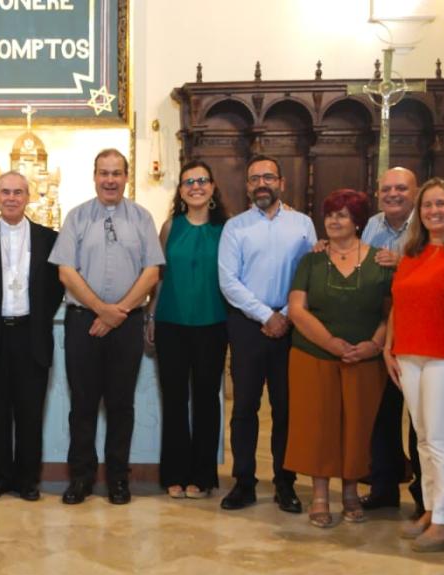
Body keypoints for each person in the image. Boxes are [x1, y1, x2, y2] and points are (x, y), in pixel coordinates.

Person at [49, 148, 164, 506]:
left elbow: (152, 271)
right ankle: (81, 479)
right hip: (84, 322)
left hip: (127, 325)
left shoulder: (142, 218)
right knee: (82, 405)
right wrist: (102, 310)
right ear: (94, 176)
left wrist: (120, 311)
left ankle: (118, 479)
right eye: (104, 173)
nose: (110, 179)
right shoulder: (77, 217)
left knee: (120, 405)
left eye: (116, 173)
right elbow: (65, 270)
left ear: (126, 177)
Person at [382, 177, 444, 552]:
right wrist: (390, 346)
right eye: (427, 206)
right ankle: (429, 509)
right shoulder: (411, 253)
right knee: (422, 438)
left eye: (441, 204)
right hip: (409, 353)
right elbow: (398, 303)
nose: (433, 211)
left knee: (441, 439)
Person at [284, 189, 391, 527]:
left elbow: (392, 312)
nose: (333, 220)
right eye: (329, 214)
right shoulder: (311, 260)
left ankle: (349, 492)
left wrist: (374, 345)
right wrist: (331, 343)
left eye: (342, 214)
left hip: (365, 360)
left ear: (358, 221)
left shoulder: (381, 260)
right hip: (312, 355)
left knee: (357, 426)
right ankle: (319, 495)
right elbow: (298, 309)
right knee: (318, 426)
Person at [217, 154, 316, 513]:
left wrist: (286, 315)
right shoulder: (235, 227)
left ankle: (285, 483)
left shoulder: (303, 225)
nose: (262, 183)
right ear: (247, 186)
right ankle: (243, 482)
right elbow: (228, 280)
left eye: (268, 177)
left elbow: (309, 275)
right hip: (247, 325)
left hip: (292, 326)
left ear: (281, 183)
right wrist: (264, 315)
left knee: (286, 409)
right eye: (255, 178)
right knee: (244, 407)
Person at [0, 171, 65, 502]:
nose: (11, 198)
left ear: (28, 197)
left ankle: (27, 480)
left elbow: (55, 287)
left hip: (30, 334)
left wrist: (36, 316)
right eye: (5, 192)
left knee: (29, 412)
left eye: (18, 192)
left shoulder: (49, 238)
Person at [147, 160, 229, 500]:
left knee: (207, 400)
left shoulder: (227, 229)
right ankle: (174, 474)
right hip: (171, 323)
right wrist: (151, 316)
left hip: (213, 322)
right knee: (175, 400)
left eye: (201, 181)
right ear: (180, 191)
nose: (195, 186)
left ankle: (203, 475)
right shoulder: (170, 227)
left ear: (212, 188)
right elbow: (159, 278)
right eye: (188, 182)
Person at [360, 167, 424, 516]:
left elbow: (438, 266)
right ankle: (383, 486)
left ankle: (422, 497)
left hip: (418, 332)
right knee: (381, 415)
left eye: (401, 188)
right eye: (386, 189)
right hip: (380, 328)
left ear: (415, 192)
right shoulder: (373, 225)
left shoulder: (427, 222)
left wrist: (402, 264)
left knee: (419, 419)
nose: (393, 194)